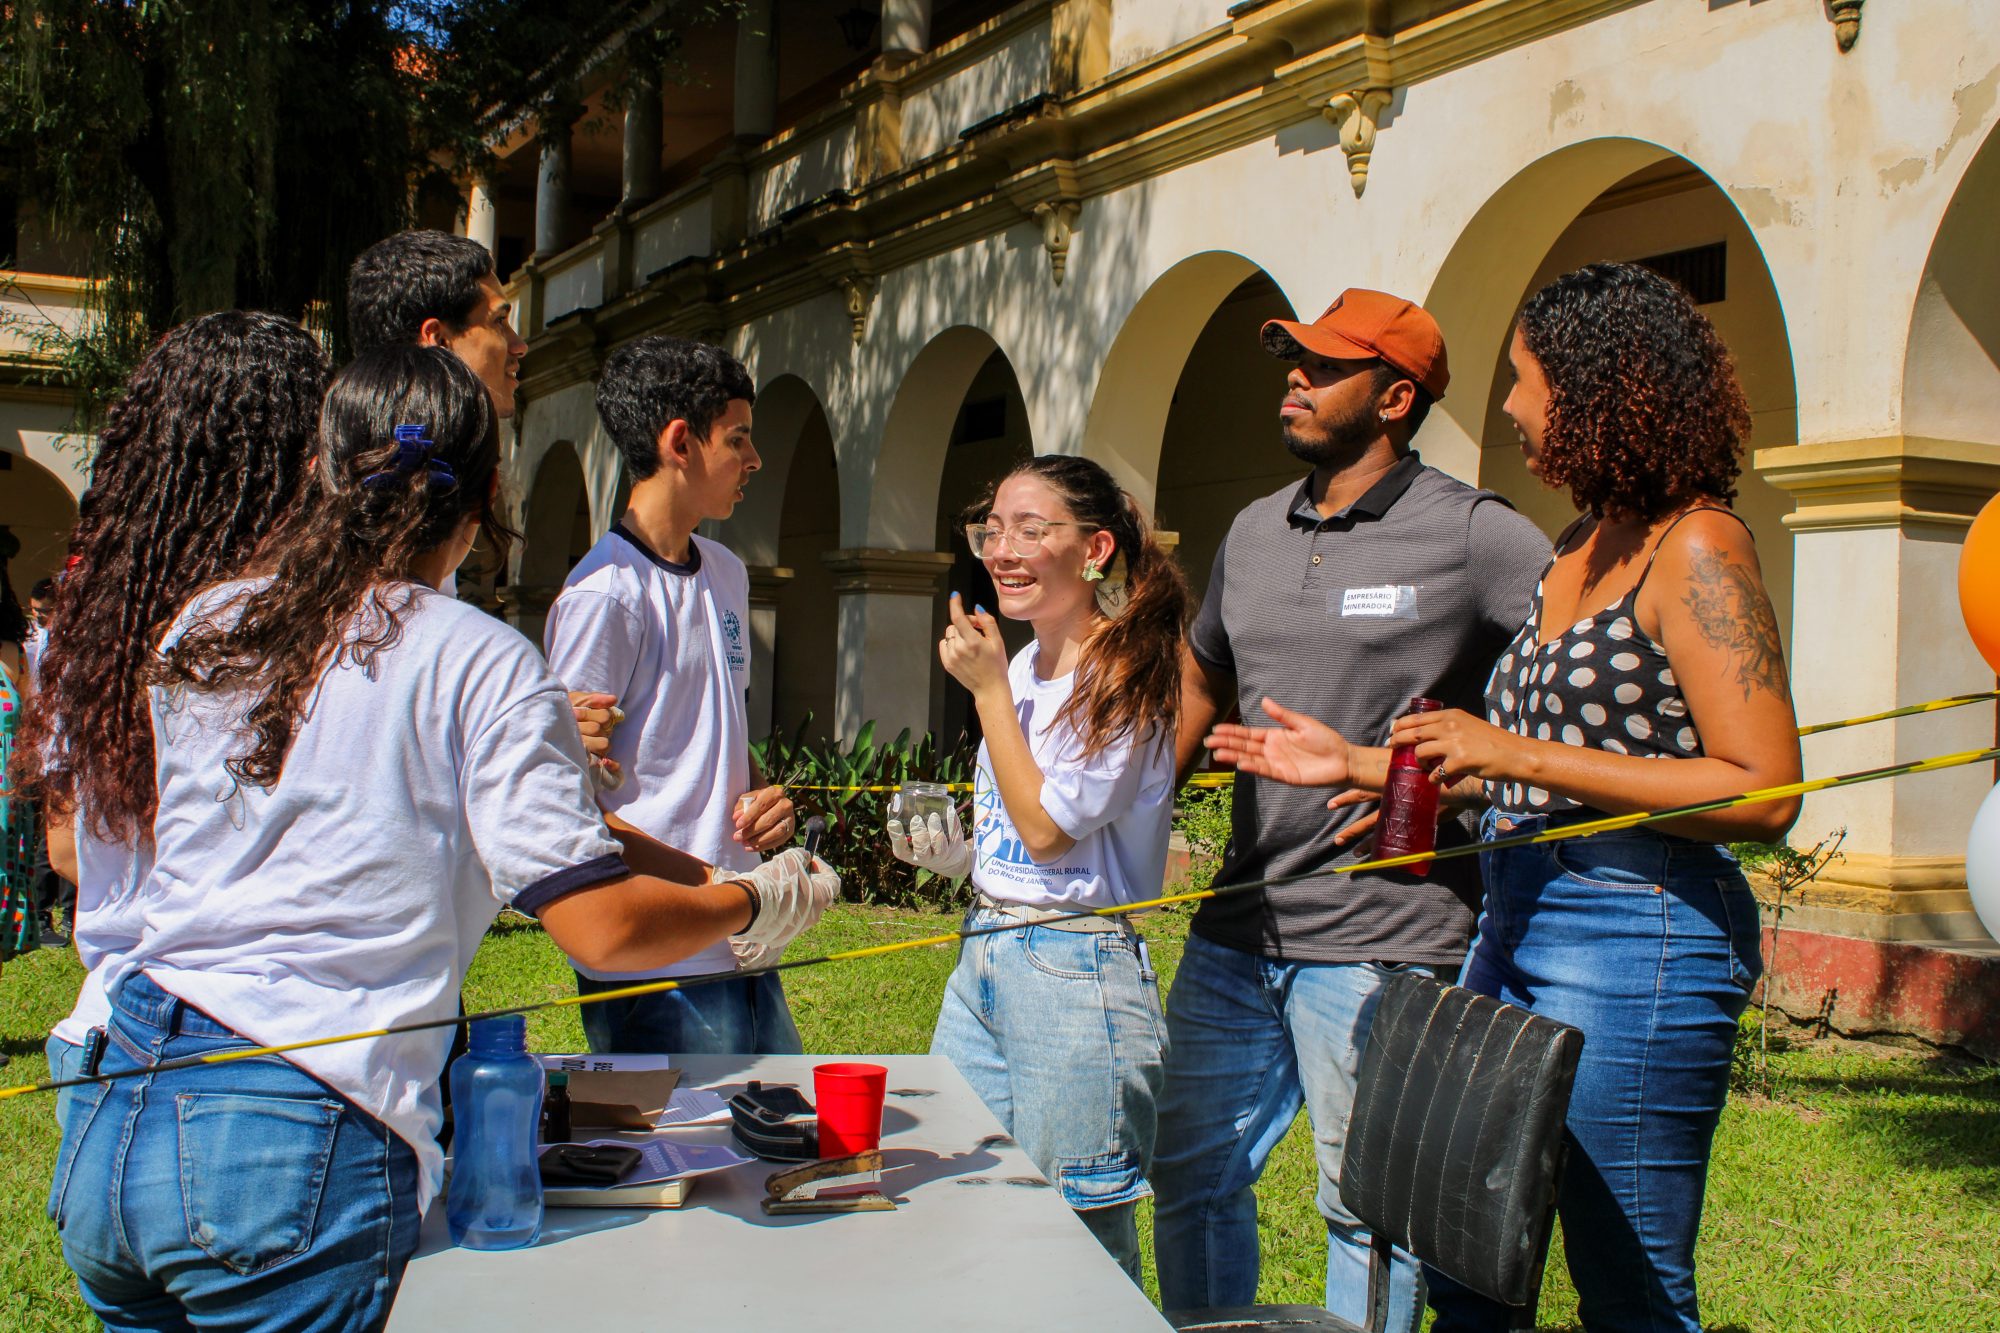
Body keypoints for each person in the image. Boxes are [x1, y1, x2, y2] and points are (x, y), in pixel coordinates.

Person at [46, 345, 838, 1331]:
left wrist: (708, 872)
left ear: (320, 473)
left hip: (118, 1105)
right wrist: (751, 898)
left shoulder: (209, 621)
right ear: (487, 495)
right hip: (296, 1130)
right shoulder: (479, 657)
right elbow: (597, 926)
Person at [1211, 263, 1796, 1332]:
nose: (1511, 406)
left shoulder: (1697, 545)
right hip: (1514, 912)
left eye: (1525, 380)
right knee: (1460, 1251)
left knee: (1625, 1283)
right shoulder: (1576, 544)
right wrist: (1358, 765)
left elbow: (1761, 790)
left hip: (1635, 928)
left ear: (1597, 388)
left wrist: (1515, 752)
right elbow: (1535, 767)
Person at [1149, 289, 1551, 1328]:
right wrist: (1138, 801)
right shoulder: (1253, 529)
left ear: (1395, 397)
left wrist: (1446, 783)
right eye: (1294, 359)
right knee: (1189, 1173)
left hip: (1385, 932)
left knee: (1366, 1212)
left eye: (1325, 366)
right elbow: (1201, 677)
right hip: (1238, 927)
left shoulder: (1474, 534)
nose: (1295, 377)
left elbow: (1563, 697)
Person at [19, 312, 332, 1124]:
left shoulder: (101, 624)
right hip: (251, 1058)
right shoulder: (291, 634)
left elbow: (65, 848)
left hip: (100, 1033)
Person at [891, 454, 1190, 1280]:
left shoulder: (1123, 674)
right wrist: (959, 856)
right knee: (959, 1194)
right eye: (992, 530)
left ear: (1095, 550)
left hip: (1076, 971)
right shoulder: (1022, 667)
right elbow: (1020, 836)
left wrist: (987, 693)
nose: (1002, 551)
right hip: (985, 949)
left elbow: (1052, 831)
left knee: (1075, 1246)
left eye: (1030, 530)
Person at [542, 335, 803, 1054]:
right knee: (698, 1131)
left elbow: (710, 730)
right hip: (658, 960)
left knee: (778, 1117)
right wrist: (709, 881)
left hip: (741, 935)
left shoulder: (725, 570)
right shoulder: (604, 595)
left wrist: (762, 799)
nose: (754, 460)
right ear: (680, 442)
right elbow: (570, 798)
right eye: (738, 438)